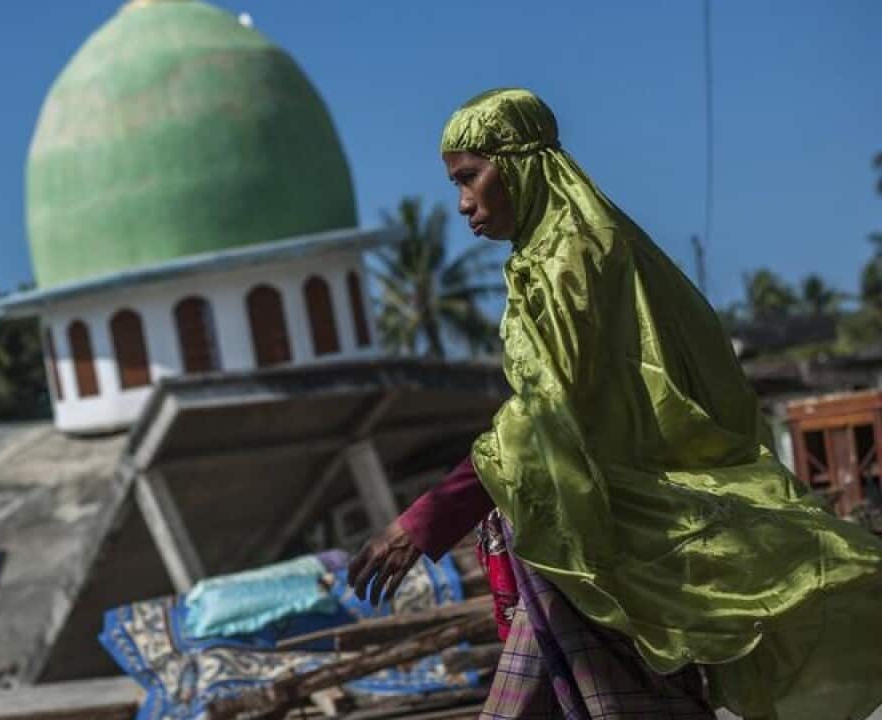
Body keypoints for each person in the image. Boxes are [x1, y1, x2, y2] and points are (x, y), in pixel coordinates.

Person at [348, 88, 882, 720]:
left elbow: (546, 416)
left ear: (518, 164)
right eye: (455, 185)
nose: (463, 203)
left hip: (598, 533)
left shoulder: (570, 256)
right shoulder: (553, 252)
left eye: (471, 177)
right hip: (583, 529)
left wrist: (426, 520)